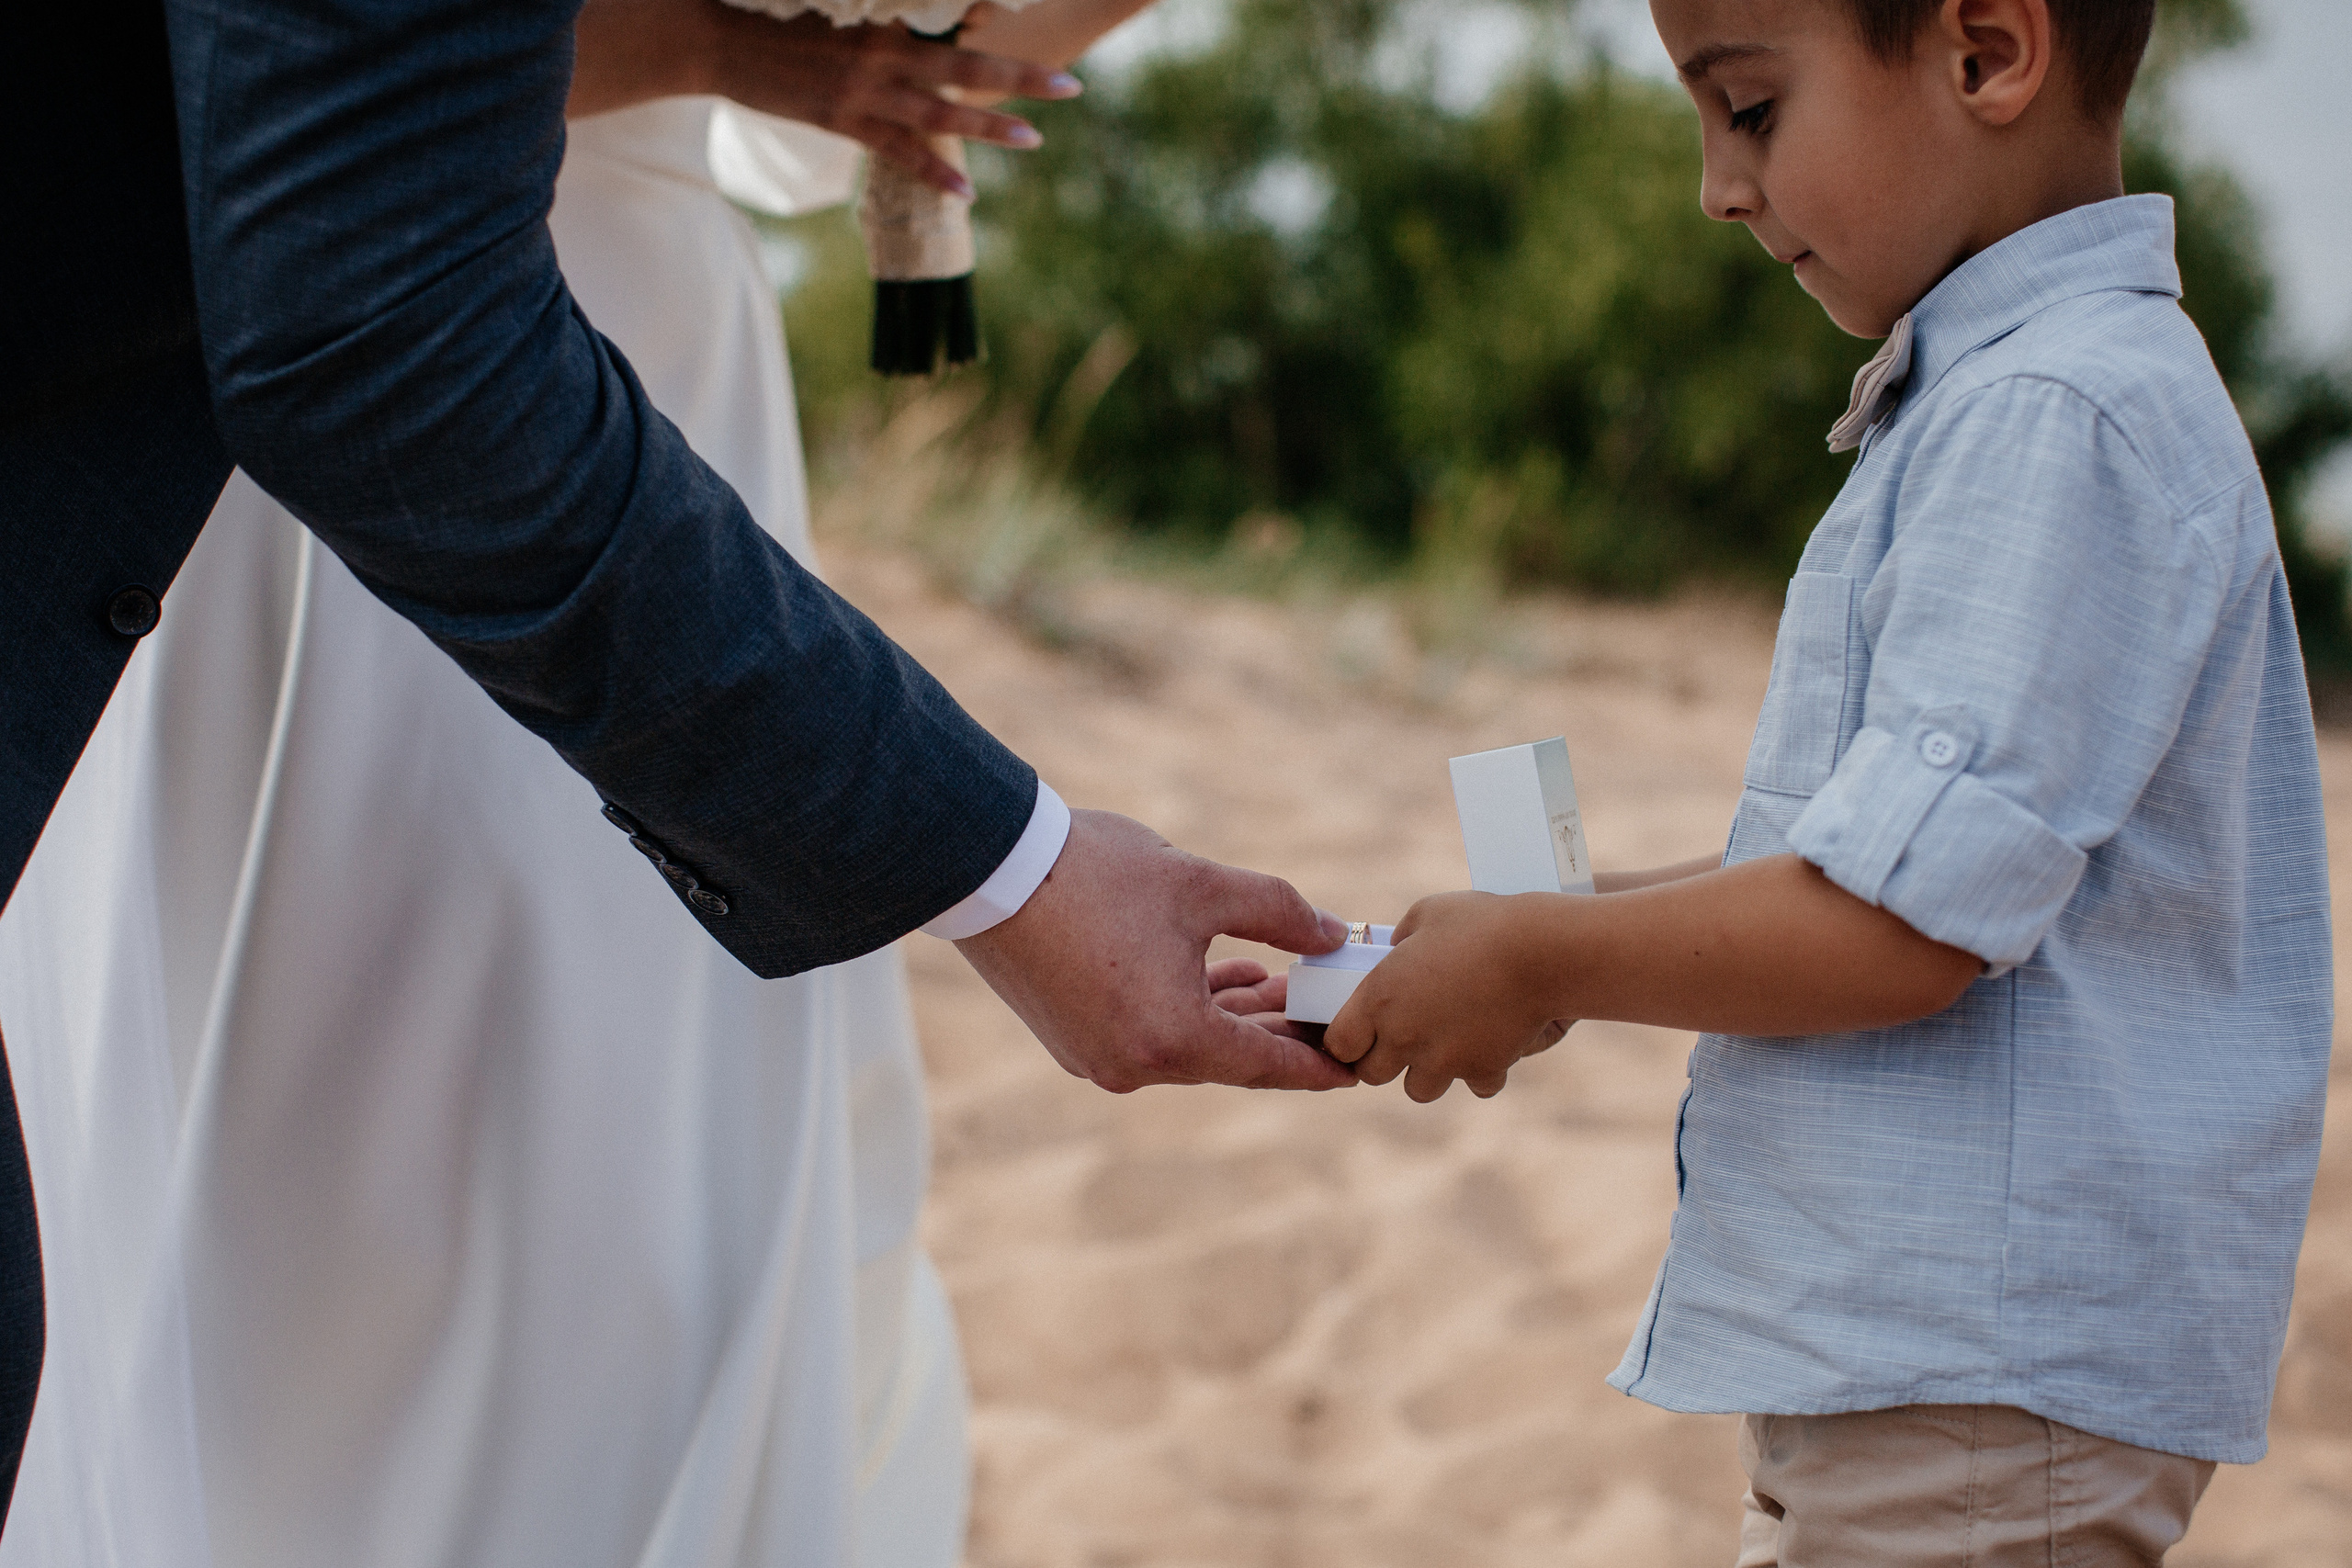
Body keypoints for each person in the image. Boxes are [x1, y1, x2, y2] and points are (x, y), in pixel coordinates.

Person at [0, 0, 1348, 1520]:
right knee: (388, 1208)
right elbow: (334, 228)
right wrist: (1012, 873)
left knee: (632, 1205)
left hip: (624, 425)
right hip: (432, 420)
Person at [1326, 0, 2329, 1558]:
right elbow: (1868, 869)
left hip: (1982, 1383)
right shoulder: (2016, 397)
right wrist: (1565, 933)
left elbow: (1896, 931)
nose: (1717, 186)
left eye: (1750, 110)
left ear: (1986, 53)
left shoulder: (2053, 417)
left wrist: (1546, 950)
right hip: (1941, 1375)